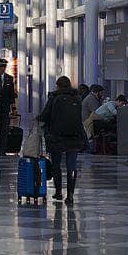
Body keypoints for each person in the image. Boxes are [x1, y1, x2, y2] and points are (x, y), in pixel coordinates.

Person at [38, 76, 86, 205]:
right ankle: (70, 195)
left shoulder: (54, 97)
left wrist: (38, 119)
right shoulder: (77, 97)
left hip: (57, 137)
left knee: (56, 164)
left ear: (58, 86)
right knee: (72, 166)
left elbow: (45, 115)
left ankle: (58, 192)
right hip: (75, 137)